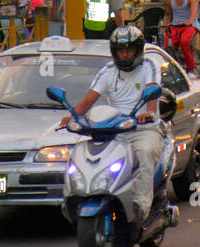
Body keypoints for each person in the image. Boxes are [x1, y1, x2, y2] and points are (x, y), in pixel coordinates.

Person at [60, 25, 164, 221]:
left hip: (143, 129)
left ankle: (141, 206)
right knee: (81, 155)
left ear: (138, 50)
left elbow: (152, 90)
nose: (124, 55)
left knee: (144, 153)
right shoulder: (108, 71)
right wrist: (72, 116)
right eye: (120, 50)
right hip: (114, 131)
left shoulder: (149, 66)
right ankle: (71, 199)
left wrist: (149, 113)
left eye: (129, 50)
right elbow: (88, 100)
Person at [162, 0, 200, 75]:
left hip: (190, 26)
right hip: (175, 25)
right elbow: (167, 14)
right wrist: (164, 28)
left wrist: (190, 21)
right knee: (167, 46)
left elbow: (194, 12)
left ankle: (191, 69)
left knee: (184, 41)